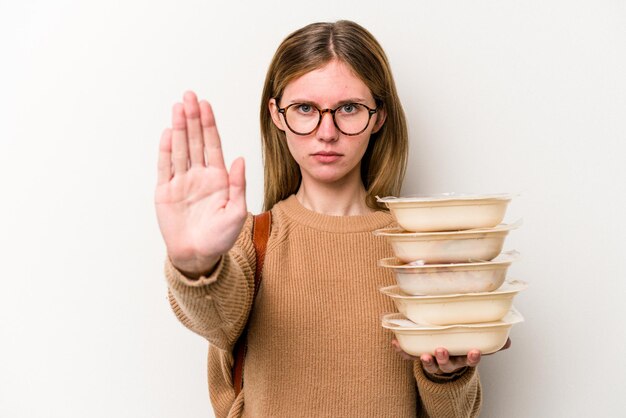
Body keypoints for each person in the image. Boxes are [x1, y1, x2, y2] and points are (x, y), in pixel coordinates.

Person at [155, 20, 485, 417]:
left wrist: (446, 375)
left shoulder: (418, 251)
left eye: (348, 108)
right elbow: (215, 319)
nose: (326, 132)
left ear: (378, 117)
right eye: (305, 109)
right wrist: (196, 265)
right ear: (277, 114)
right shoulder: (251, 241)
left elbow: (456, 414)